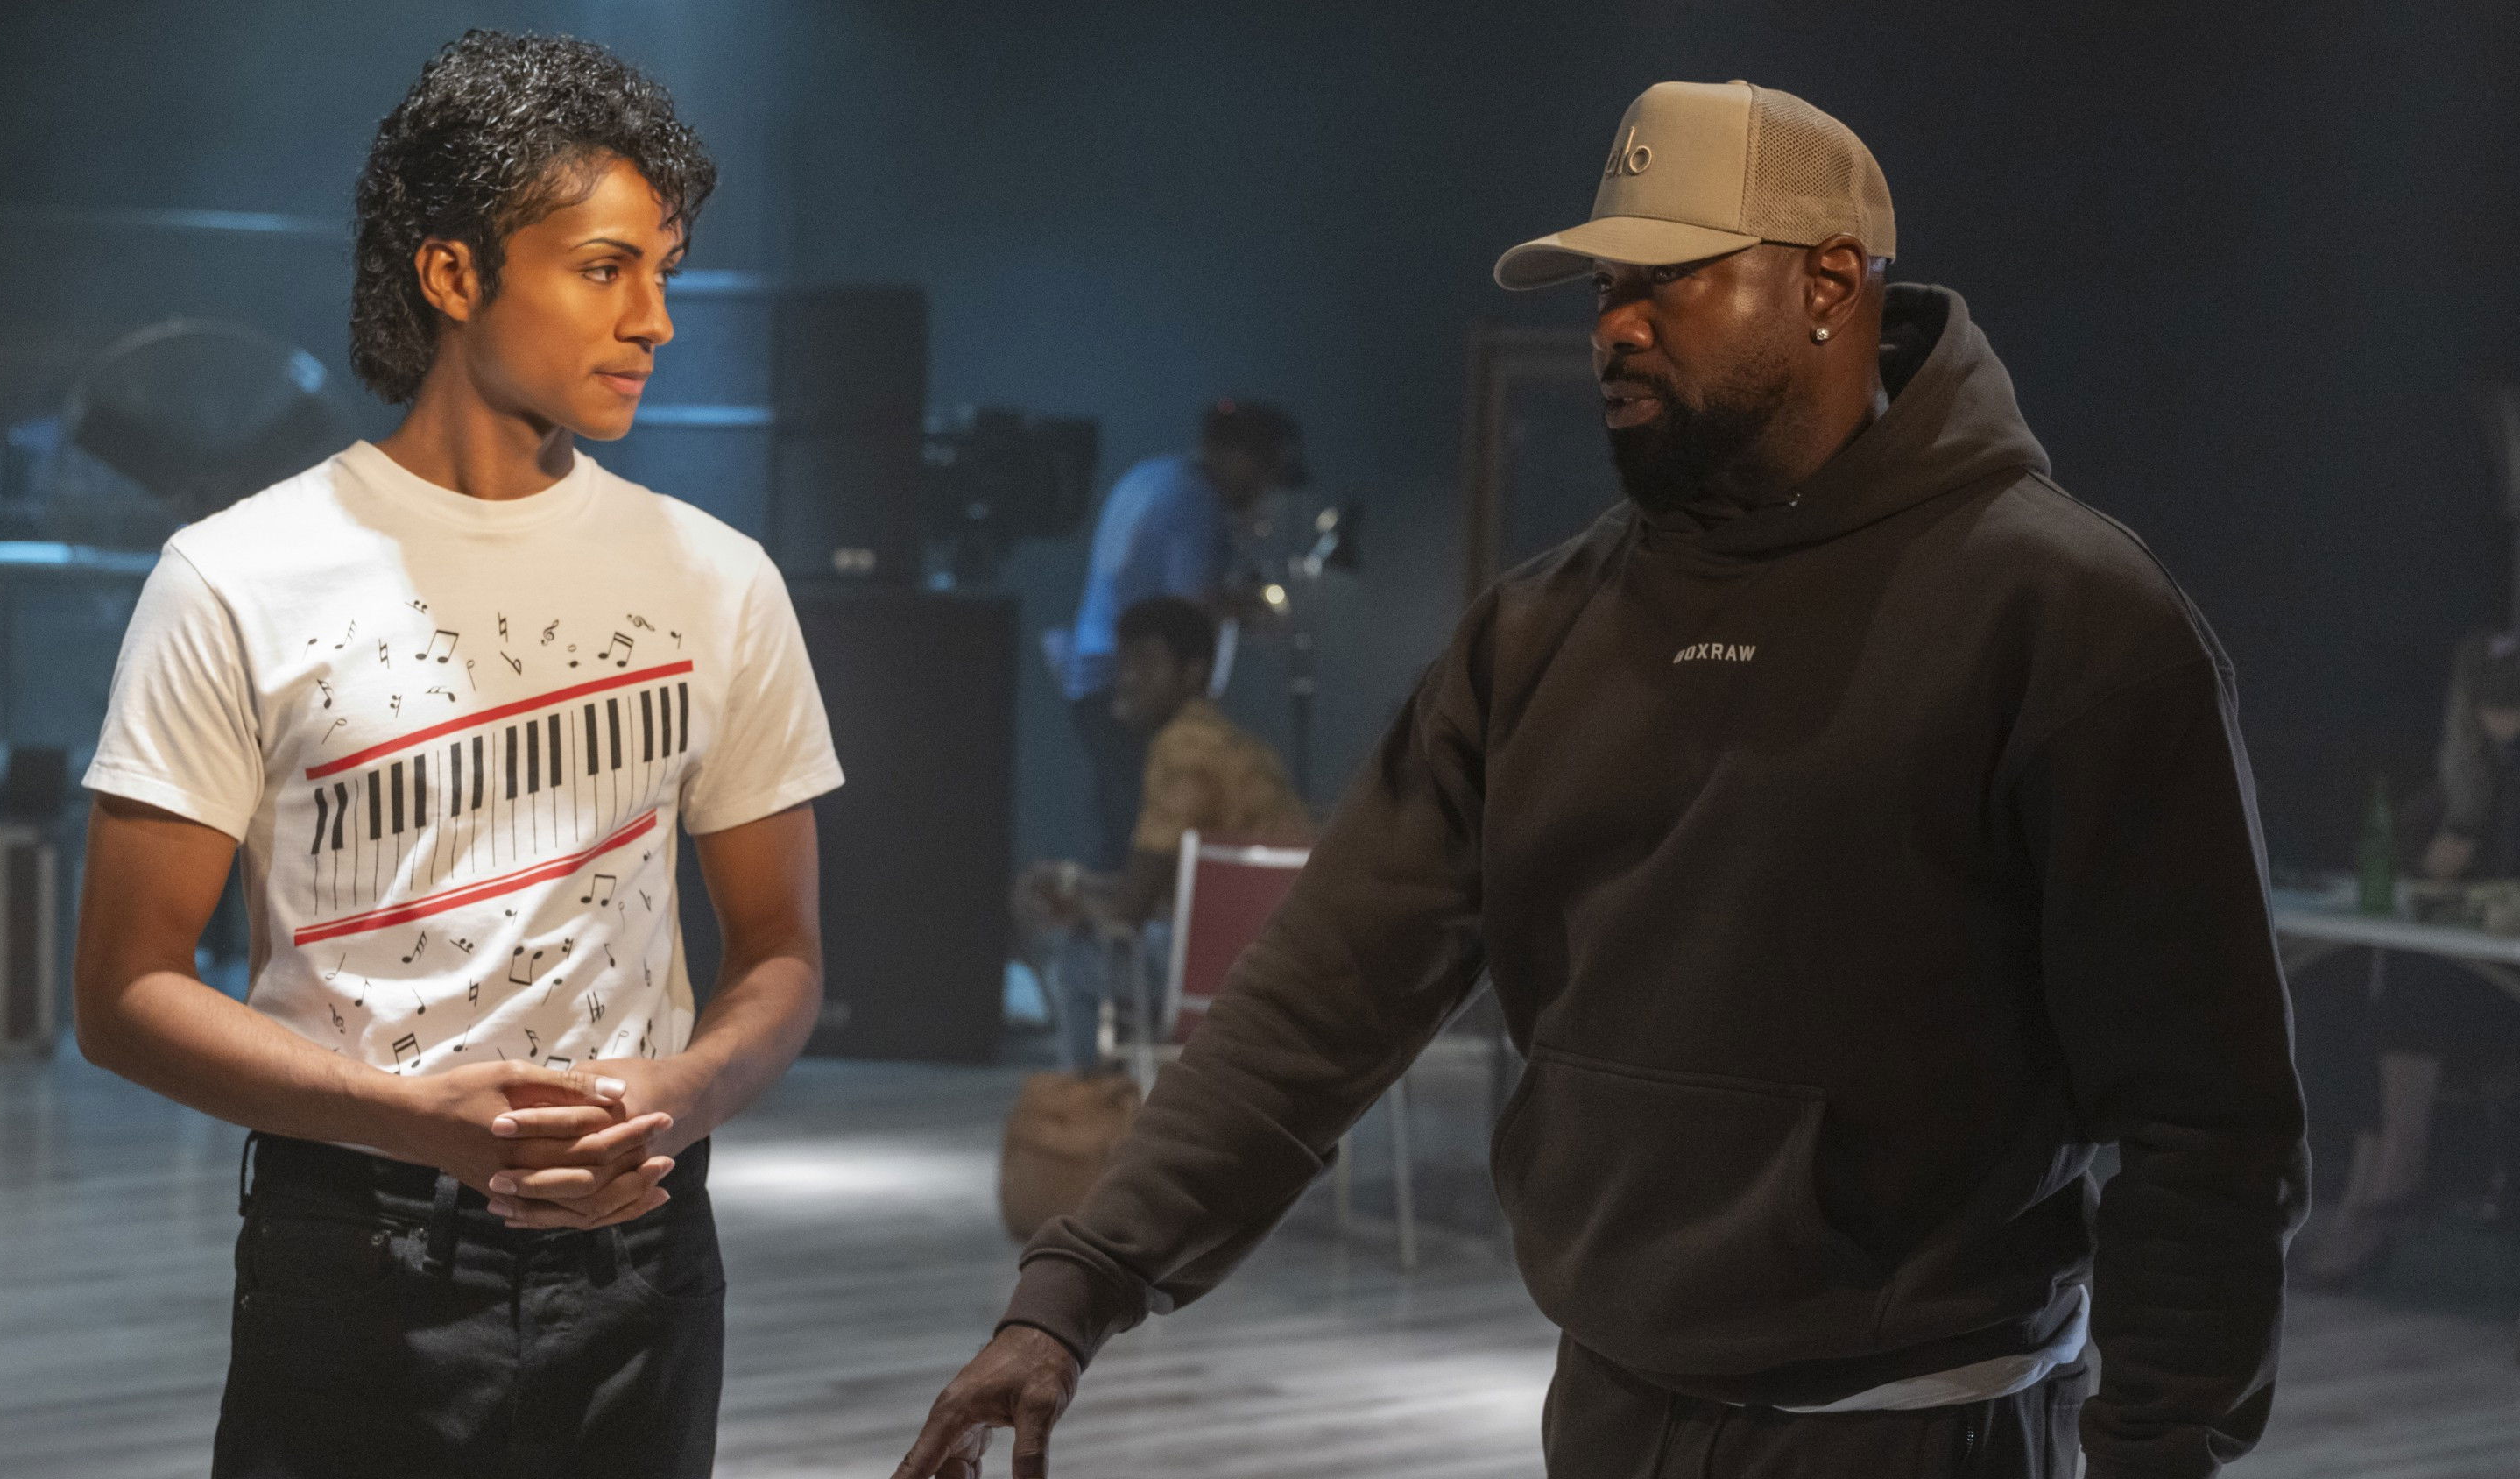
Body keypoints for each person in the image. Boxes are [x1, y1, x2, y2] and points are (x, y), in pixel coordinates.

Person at [896, 80, 2305, 1479]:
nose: (1614, 328)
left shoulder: (2066, 616)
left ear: (1828, 284)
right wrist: (1074, 1293)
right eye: (1603, 291)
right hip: (1610, 1419)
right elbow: (1321, 993)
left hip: (1923, 1430)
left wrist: (2160, 1450)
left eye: (1666, 280)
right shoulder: (1539, 633)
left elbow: (2208, 1116)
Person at [72, 32, 843, 1477]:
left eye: (665, 271)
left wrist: (684, 1093)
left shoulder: (720, 579)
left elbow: (784, 948)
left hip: (641, 1251)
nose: (656, 319)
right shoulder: (235, 575)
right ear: (451, 273)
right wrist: (418, 1123)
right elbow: (123, 992)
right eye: (605, 268)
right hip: (352, 1252)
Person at [2300, 630, 2520, 1286]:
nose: (2502, 715)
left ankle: (2390, 1180)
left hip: (2499, 988)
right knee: (2367, 986)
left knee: (2410, 979)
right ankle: (2375, 1183)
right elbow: (2406, 860)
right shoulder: (2471, 771)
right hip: (2468, 968)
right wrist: (2448, 845)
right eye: (2491, 701)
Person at [1020, 595, 1313, 1070]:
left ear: (1192, 672)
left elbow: (1129, 912)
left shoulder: (1181, 749)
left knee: (1075, 960)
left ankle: (1091, 1103)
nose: (1128, 678)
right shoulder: (1246, 749)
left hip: (1222, 981)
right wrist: (1076, 882)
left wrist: (1068, 898)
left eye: (1146, 663)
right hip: (1289, 976)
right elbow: (1179, 890)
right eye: (1124, 662)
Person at [1059, 399, 1305, 870]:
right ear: (1238, 456)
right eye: (1265, 471)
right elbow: (1186, 609)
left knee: (1120, 815)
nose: (1265, 488)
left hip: (1097, 676)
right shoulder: (1196, 501)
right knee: (1144, 830)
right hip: (1136, 684)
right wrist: (1250, 606)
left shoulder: (1153, 476)